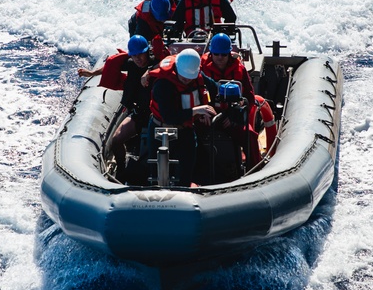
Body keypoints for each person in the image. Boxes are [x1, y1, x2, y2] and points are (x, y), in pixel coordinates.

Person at [78, 35, 156, 179]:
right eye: (135, 55)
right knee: (116, 140)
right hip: (139, 113)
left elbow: (170, 62)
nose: (138, 58)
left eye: (141, 54)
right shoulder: (131, 63)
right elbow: (110, 67)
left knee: (155, 145)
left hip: (157, 116)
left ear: (147, 52)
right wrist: (91, 73)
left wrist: (150, 71)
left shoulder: (157, 62)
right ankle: (122, 170)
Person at [146, 48, 219, 186]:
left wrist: (205, 110)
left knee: (186, 171)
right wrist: (197, 110)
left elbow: (214, 89)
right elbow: (169, 116)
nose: (186, 80)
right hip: (160, 130)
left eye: (189, 77)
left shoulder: (198, 77)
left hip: (185, 131)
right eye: (183, 76)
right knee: (156, 174)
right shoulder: (163, 85)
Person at [200, 33, 260, 168]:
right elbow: (193, 92)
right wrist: (201, 113)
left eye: (224, 54)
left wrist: (235, 116)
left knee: (250, 135)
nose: (220, 58)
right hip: (207, 116)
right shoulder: (201, 68)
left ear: (229, 54)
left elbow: (249, 98)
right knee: (189, 135)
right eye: (216, 54)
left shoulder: (240, 69)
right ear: (211, 53)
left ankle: (255, 169)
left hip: (232, 117)